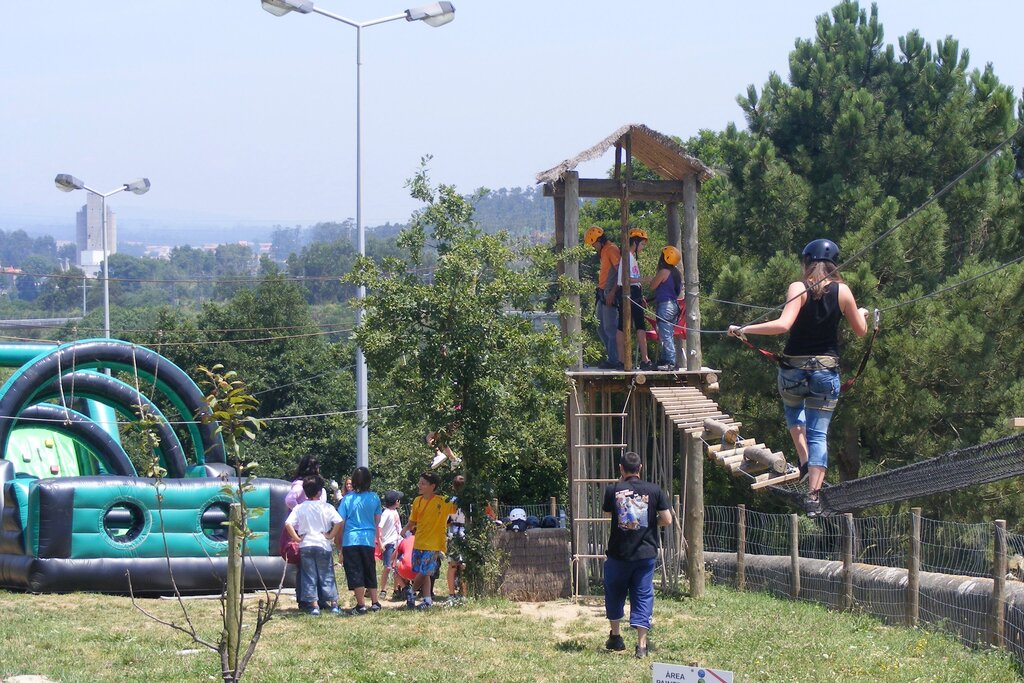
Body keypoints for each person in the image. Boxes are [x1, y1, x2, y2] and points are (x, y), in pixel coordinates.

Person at [727, 238, 868, 517]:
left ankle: (804, 461)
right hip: (825, 372)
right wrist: (861, 313)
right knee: (819, 434)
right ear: (834, 264)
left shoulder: (798, 287)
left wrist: (744, 329)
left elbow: (783, 325)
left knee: (793, 410)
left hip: (792, 371)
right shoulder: (843, 291)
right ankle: (814, 497)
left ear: (807, 263)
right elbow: (861, 330)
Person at [602, 451, 672, 659]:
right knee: (643, 594)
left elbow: (609, 513)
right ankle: (641, 645)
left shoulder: (613, 490)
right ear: (640, 468)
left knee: (614, 593)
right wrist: (650, 523)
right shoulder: (655, 490)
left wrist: (620, 486)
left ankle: (616, 637)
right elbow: (667, 519)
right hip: (645, 554)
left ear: (621, 469)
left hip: (618, 554)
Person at [284, 475, 343, 616]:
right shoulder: (326, 506)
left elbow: (288, 523)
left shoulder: (299, 508)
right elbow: (339, 521)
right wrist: (331, 535)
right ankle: (334, 604)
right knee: (327, 575)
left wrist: (297, 538)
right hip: (323, 544)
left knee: (309, 576)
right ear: (319, 492)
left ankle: (314, 606)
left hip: (306, 545)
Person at [399, 471, 457, 610]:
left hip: (434, 543)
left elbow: (456, 507)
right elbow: (412, 521)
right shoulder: (417, 501)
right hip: (419, 541)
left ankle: (411, 592)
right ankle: (427, 600)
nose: (419, 485)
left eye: (423, 483)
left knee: (425, 571)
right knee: (423, 573)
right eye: (419, 483)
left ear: (433, 486)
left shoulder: (442, 501)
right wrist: (404, 529)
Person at [336, 466, 383, 614]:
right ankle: (375, 602)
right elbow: (377, 520)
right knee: (369, 569)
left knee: (355, 571)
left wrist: (338, 540)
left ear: (354, 481)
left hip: (351, 539)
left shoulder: (347, 499)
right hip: (368, 539)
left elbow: (341, 521)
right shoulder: (374, 497)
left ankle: (361, 605)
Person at [584, 225, 622, 369]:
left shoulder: (611, 249)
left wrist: (612, 292)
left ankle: (614, 360)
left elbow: (620, 272)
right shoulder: (604, 251)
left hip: (610, 293)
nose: (594, 248)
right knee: (600, 327)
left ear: (599, 240)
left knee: (610, 327)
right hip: (602, 292)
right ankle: (612, 356)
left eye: (594, 244)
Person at [616, 228, 654, 370]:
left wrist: (640, 293)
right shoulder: (627, 257)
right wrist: (645, 279)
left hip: (634, 292)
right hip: (628, 292)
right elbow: (626, 279)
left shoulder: (631, 257)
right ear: (635, 242)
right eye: (642, 244)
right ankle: (635, 359)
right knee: (627, 325)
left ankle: (638, 359)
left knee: (634, 325)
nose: (643, 247)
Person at [649, 245, 683, 371]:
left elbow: (653, 286)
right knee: (666, 333)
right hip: (673, 305)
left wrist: (650, 279)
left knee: (666, 335)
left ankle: (671, 362)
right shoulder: (676, 273)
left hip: (665, 306)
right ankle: (665, 359)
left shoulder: (664, 272)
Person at [377, 490, 404, 600]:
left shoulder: (395, 512)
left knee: (396, 567)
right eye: (399, 500)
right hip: (389, 544)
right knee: (387, 567)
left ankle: (396, 589)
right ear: (396, 501)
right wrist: (380, 542)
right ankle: (383, 589)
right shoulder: (386, 513)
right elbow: (379, 527)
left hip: (397, 543)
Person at [445, 475, 468, 602]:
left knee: (452, 565)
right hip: (465, 533)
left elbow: (446, 521)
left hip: (453, 533)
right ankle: (464, 594)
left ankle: (451, 594)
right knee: (463, 565)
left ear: (453, 487)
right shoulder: (469, 502)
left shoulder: (450, 501)